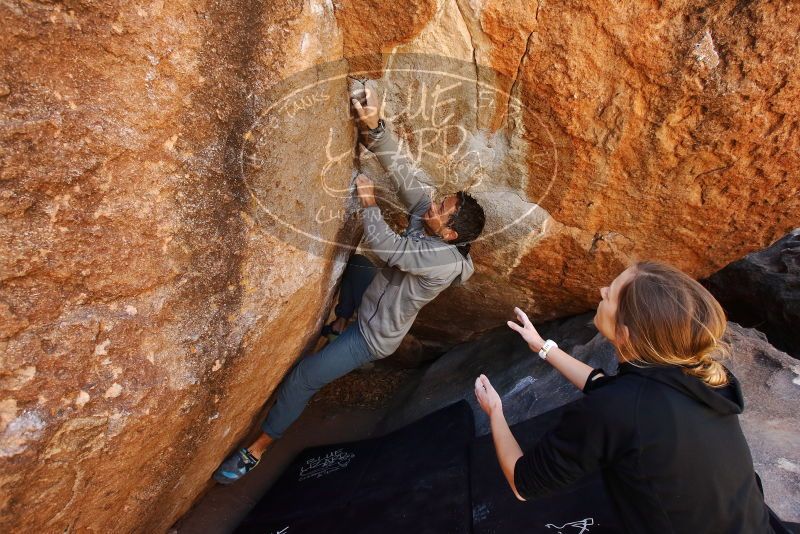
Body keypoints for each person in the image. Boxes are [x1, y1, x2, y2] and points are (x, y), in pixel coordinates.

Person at [213, 81, 486, 484]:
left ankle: (258, 449)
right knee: (357, 265)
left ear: (448, 234)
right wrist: (375, 128)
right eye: (442, 200)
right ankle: (340, 320)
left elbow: (389, 248)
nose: (433, 203)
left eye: (440, 209)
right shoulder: (430, 218)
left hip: (374, 335)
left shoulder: (443, 261)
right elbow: (403, 171)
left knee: (305, 377)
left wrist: (369, 203)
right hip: (373, 298)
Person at [474, 261, 777, 533]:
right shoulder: (697, 376)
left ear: (626, 335)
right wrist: (543, 347)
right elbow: (609, 390)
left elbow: (523, 483)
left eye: (610, 294)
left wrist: (496, 412)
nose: (602, 289)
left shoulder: (619, 409)